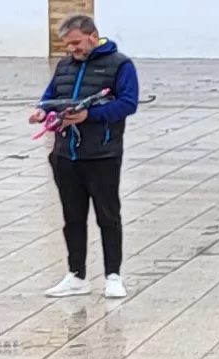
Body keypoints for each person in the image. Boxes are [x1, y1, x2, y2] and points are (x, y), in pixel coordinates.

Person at [39, 15, 142, 301]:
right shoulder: (64, 66)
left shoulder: (121, 65)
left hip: (102, 155)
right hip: (65, 155)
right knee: (72, 218)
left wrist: (89, 116)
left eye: (76, 42)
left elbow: (128, 104)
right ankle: (76, 275)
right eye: (67, 45)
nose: (72, 49)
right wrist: (42, 112)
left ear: (93, 36)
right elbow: (49, 96)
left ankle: (113, 276)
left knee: (108, 216)